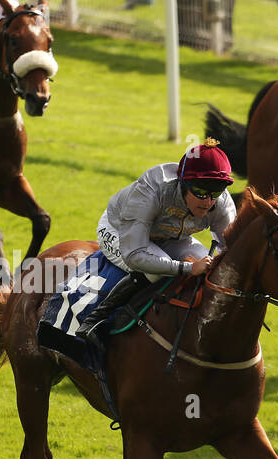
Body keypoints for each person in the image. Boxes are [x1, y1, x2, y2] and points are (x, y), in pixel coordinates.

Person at [76, 139, 236, 344]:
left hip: (171, 237)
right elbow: (134, 255)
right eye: (200, 192)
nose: (207, 201)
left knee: (210, 271)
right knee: (157, 269)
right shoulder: (151, 189)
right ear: (183, 184)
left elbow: (231, 246)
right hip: (119, 230)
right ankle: (96, 319)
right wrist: (187, 268)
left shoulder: (220, 201)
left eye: (215, 193)